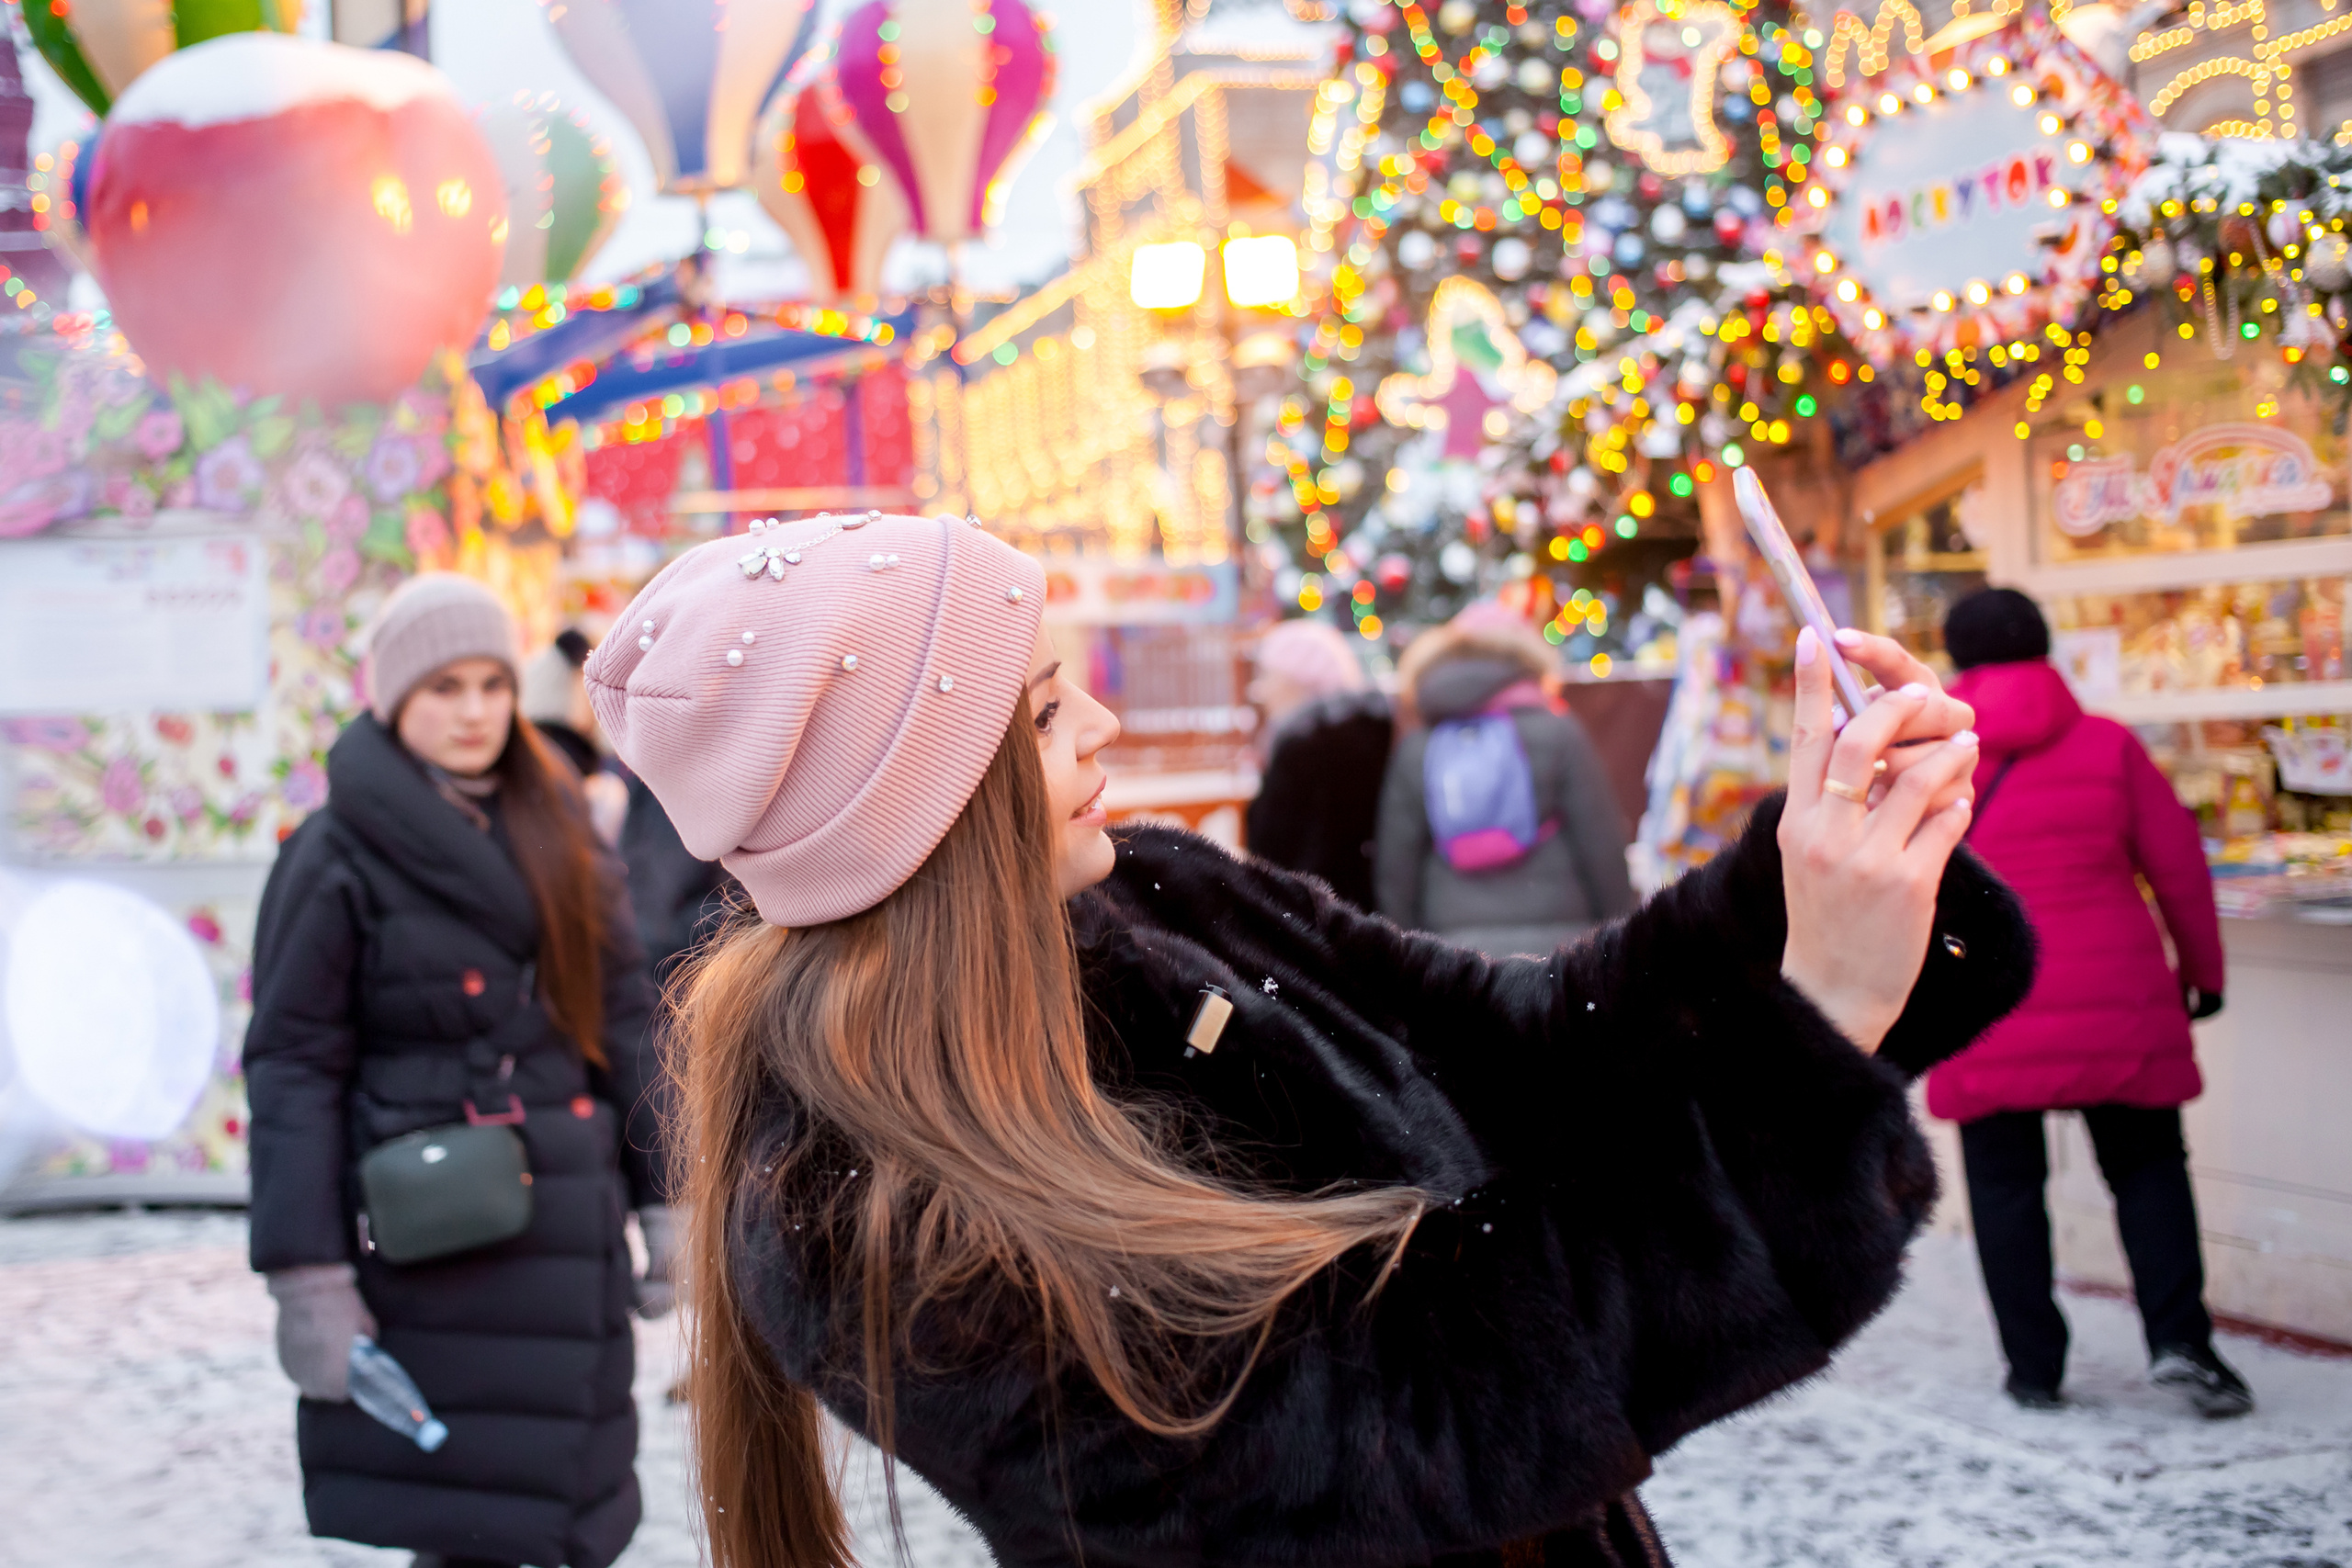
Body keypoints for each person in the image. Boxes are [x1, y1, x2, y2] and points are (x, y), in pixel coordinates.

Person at [583, 513, 2033, 1568]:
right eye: (1037, 712)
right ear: (914, 808)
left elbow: (1524, 1043)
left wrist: (1813, 872)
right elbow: (1404, 1427)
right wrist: (1813, 1029)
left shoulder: (1159, 892)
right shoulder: (862, 1205)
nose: (1100, 721)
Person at [244, 574, 677, 1568]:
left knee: (572, 1505)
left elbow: (626, 1021)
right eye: (444, 687)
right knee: (469, 1519)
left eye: (490, 682)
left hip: (568, 1227)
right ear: (395, 698)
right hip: (434, 1234)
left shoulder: (559, 823)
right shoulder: (334, 853)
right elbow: (293, 1068)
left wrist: (668, 1199)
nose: (476, 710)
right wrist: (306, 1278)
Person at [1933, 587, 2248, 1418]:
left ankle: (2033, 1367)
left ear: (1955, 662)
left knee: (2003, 1188)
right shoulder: (2108, 746)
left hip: (1986, 1001)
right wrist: (2203, 974)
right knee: (2147, 1168)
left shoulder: (1930, 762)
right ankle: (2181, 1341)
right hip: (2117, 997)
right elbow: (2179, 866)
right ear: (2045, 647)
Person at [1375, 614, 1637, 955]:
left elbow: (1397, 868)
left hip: (1454, 950)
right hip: (1563, 949)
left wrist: (1407, 953)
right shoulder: (1558, 732)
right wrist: (1623, 933)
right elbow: (1601, 843)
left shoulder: (1417, 749)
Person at [1244, 618, 1394, 908]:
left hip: (1315, 918)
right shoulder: (1365, 733)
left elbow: (1275, 853)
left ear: (1298, 679)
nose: (1259, 691)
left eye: (1268, 676)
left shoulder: (1304, 747)